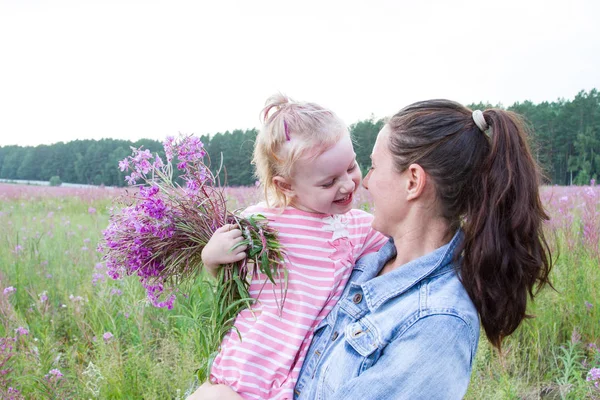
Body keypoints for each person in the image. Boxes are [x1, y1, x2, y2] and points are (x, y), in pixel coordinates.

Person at [189, 99, 553, 400]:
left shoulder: (437, 322)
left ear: (413, 181)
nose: (361, 183)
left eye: (372, 166)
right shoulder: (366, 260)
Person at [199, 94, 388, 399]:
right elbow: (224, 274)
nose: (348, 185)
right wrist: (212, 256)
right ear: (285, 186)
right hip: (250, 362)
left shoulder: (358, 226)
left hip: (303, 374)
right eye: (328, 183)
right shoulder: (259, 222)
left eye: (352, 167)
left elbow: (404, 241)